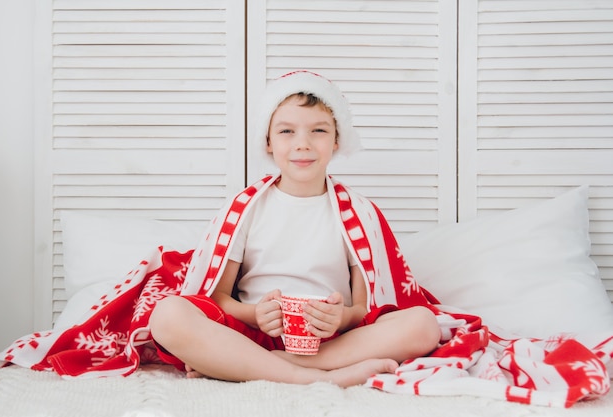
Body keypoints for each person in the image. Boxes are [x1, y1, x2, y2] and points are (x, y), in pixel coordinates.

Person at [149, 70, 441, 388]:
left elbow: (363, 308)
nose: (303, 144)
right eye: (287, 131)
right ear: (269, 142)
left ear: (336, 140)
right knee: (168, 314)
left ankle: (260, 366)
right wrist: (255, 314)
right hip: (256, 336)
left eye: (318, 130)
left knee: (424, 325)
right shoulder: (245, 208)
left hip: (331, 342)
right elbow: (218, 296)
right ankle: (304, 376)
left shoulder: (358, 212)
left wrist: (340, 317)